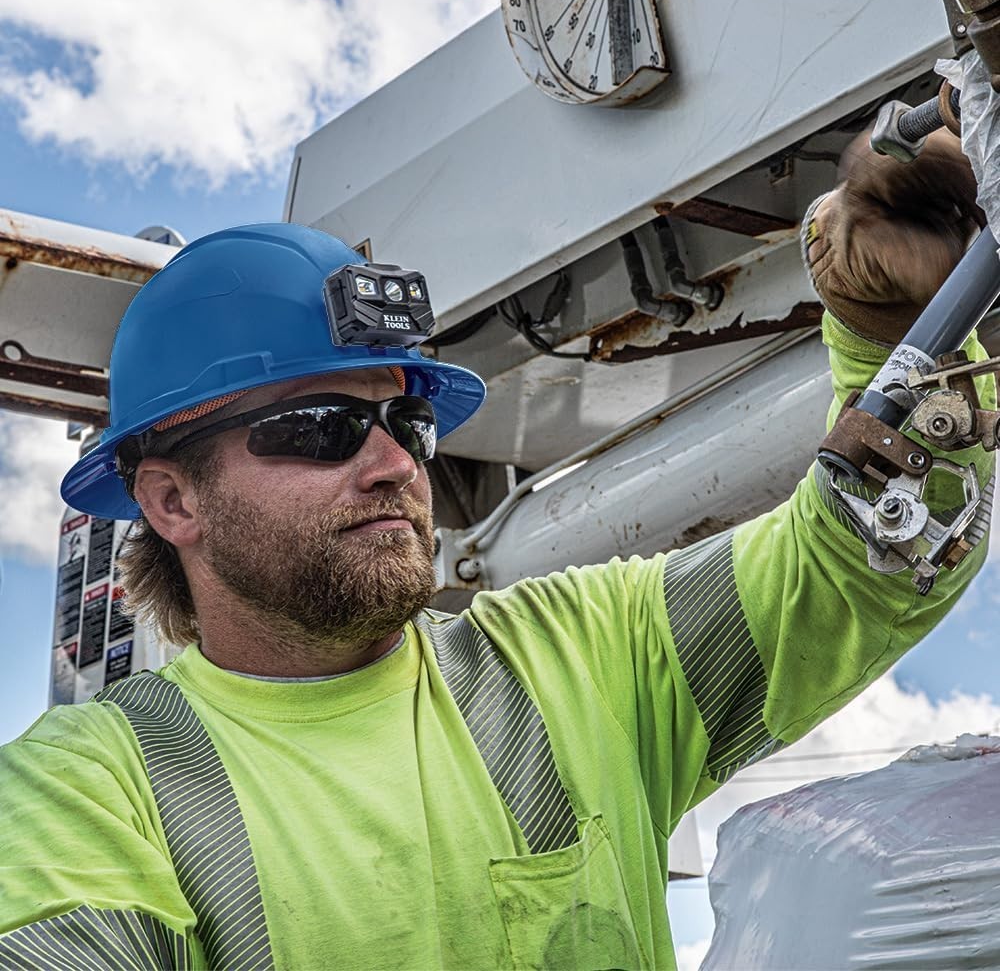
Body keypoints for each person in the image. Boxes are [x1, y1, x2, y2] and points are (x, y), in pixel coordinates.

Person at [0, 130, 993, 970]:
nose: (392, 461)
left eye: (410, 421)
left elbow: (861, 559)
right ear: (171, 499)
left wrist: (898, 336)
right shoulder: (90, 793)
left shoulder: (578, 656)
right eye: (319, 427)